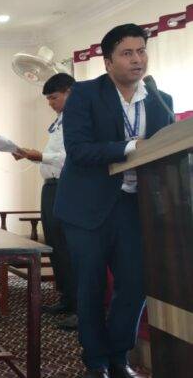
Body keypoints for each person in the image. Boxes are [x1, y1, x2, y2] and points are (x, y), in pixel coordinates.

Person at [54, 24, 174, 378]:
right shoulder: (85, 95)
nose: (137, 59)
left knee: (135, 285)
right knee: (90, 286)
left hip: (136, 208)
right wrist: (130, 147)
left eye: (141, 51)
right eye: (127, 53)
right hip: (87, 207)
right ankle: (96, 361)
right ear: (108, 62)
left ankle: (119, 357)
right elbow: (78, 150)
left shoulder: (160, 99)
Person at [12, 72, 77, 331]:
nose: (50, 103)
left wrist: (39, 156)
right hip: (51, 187)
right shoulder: (60, 120)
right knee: (55, 245)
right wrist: (31, 155)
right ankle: (66, 298)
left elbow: (70, 157)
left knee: (70, 247)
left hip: (68, 187)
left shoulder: (79, 119)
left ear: (70, 92)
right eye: (48, 99)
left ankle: (80, 307)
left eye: (54, 97)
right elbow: (54, 154)